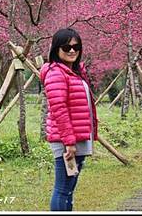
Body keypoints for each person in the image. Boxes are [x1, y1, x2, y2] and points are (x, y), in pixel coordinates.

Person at [39, 28, 98, 211]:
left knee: (69, 188)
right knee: (63, 189)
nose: (72, 50)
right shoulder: (56, 73)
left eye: (76, 46)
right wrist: (69, 142)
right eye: (66, 47)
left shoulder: (74, 71)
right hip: (67, 140)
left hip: (77, 137)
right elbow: (59, 110)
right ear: (56, 49)